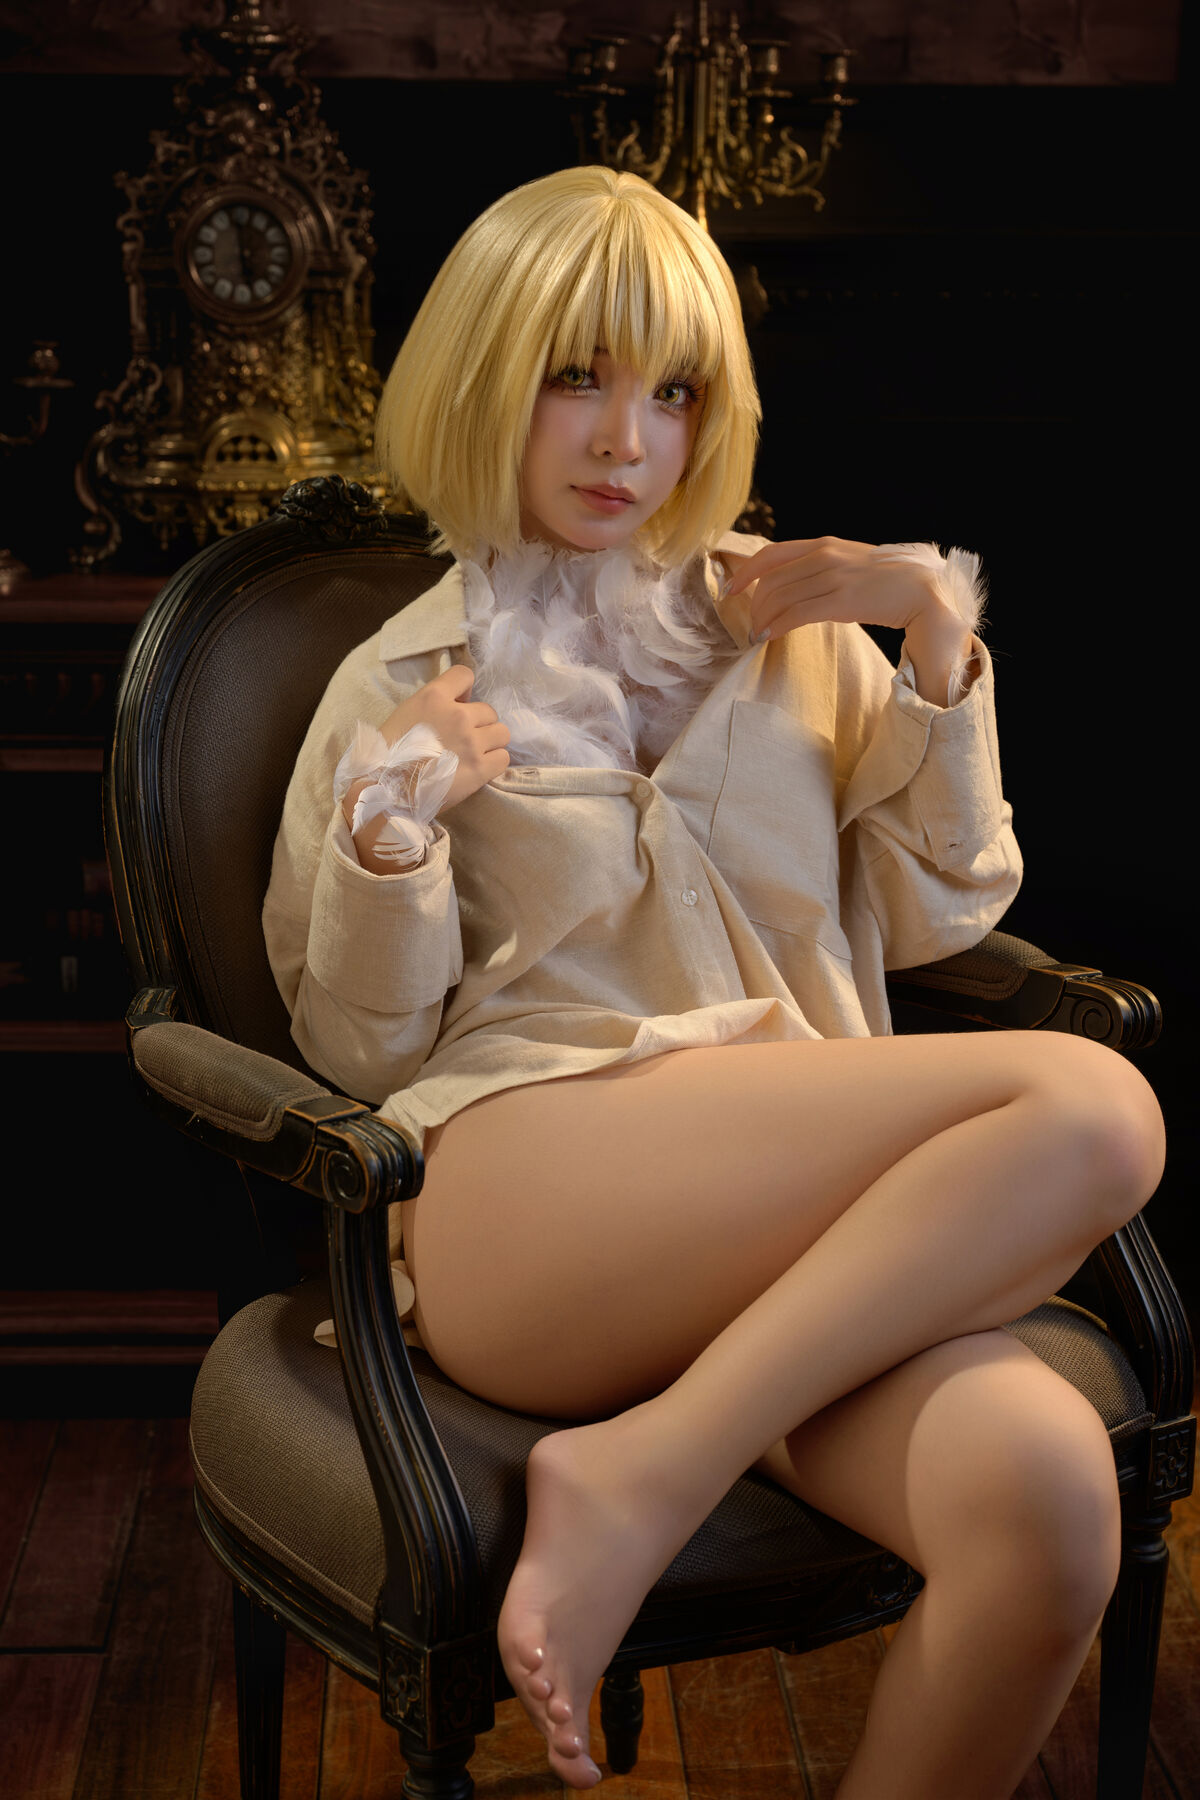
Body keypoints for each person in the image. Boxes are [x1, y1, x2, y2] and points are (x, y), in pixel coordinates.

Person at [264, 166, 1165, 1795]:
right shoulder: (393, 682)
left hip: (803, 1240)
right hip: (534, 1204)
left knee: (1045, 1502)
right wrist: (392, 823)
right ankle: (642, 1468)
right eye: (576, 377)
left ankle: (650, 1462)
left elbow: (947, 912)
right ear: (482, 376)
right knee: (1094, 1107)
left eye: (673, 393)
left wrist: (933, 633)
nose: (626, 440)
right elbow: (356, 1054)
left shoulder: (796, 620)